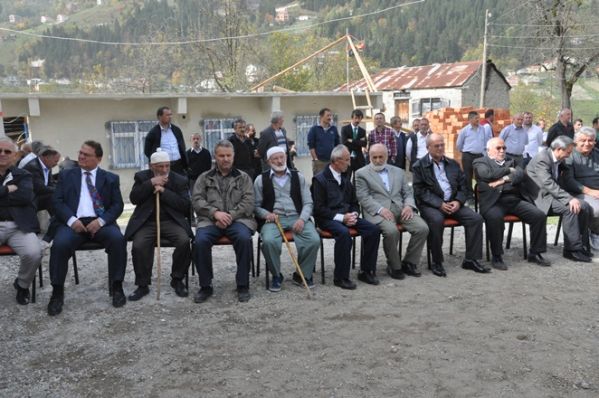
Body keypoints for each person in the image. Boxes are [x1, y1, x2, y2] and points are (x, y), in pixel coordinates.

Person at [47, 140, 127, 316]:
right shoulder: (66, 175)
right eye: (80, 152)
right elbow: (57, 201)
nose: (81, 156)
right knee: (59, 245)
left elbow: (117, 205)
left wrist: (101, 221)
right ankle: (57, 292)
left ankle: (117, 286)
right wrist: (71, 220)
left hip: (100, 222)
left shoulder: (110, 178)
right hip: (73, 222)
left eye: (87, 154)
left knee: (118, 240)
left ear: (98, 159)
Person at [412, 133, 489, 277]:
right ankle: (437, 261)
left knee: (476, 219)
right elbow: (420, 192)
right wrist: (439, 204)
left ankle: (471, 259)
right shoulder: (419, 166)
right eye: (437, 146)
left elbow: (464, 186)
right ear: (428, 148)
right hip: (432, 205)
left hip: (453, 203)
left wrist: (458, 201)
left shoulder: (452, 164)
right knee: (436, 220)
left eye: (442, 145)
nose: (440, 148)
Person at [192, 140, 256, 303]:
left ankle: (243, 285)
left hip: (239, 220)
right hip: (210, 221)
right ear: (215, 157)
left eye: (228, 155)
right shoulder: (204, 178)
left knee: (244, 239)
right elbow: (197, 200)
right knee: (200, 242)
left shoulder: (244, 178)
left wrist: (228, 216)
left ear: (233, 157)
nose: (225, 159)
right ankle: (205, 286)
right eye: (221, 156)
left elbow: (248, 202)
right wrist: (215, 214)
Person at [124, 149, 193, 301]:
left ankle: (177, 279)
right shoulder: (142, 177)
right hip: (147, 222)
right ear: (151, 166)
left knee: (183, 241)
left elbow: (184, 205)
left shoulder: (179, 180)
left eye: (167, 166)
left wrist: (163, 191)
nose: (164, 170)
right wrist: (150, 184)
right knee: (139, 245)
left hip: (171, 221)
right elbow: (134, 198)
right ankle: (142, 284)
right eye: (160, 167)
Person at [473, 138, 550, 270]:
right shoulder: (480, 161)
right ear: (488, 150)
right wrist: (509, 171)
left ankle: (535, 253)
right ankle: (497, 256)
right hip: (493, 202)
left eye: (504, 148)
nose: (502, 151)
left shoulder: (512, 160)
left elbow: (521, 175)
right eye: (498, 148)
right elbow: (486, 174)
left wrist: (502, 180)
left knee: (539, 215)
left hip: (514, 200)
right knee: (495, 219)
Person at [355, 144, 429, 279]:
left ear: (387, 156)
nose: (377, 160)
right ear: (369, 157)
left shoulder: (398, 171)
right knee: (391, 231)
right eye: (374, 157)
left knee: (422, 228)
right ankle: (394, 266)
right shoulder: (361, 173)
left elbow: (407, 193)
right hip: (378, 212)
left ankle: (409, 262)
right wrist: (380, 209)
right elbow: (363, 197)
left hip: (401, 209)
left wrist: (408, 206)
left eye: (380, 157)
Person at [312, 145, 380, 289]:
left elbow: (354, 202)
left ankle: (366, 271)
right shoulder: (319, 179)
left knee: (373, 230)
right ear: (336, 161)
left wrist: (354, 215)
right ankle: (340, 277)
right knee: (344, 234)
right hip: (328, 219)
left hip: (347, 216)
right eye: (347, 160)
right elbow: (318, 209)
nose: (350, 163)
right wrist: (341, 218)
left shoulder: (345, 177)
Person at [254, 147, 320, 291]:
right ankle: (277, 275)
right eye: (275, 159)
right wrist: (266, 214)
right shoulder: (260, 179)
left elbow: (308, 202)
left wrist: (302, 219)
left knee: (313, 240)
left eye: (281, 157)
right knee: (269, 241)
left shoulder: (298, 177)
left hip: (297, 216)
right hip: (274, 218)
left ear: (286, 157)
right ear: (268, 161)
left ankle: (302, 274)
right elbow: (255, 206)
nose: (279, 161)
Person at [524, 135, 592, 262]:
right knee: (570, 208)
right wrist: (569, 198)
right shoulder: (542, 159)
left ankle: (581, 246)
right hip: (540, 198)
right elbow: (548, 183)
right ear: (559, 149)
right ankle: (571, 250)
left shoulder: (559, 157)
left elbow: (565, 174)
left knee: (584, 206)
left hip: (552, 195)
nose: (569, 155)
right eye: (568, 152)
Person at [0, 136, 42, 305]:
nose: (2, 154)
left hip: (19, 226)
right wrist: (7, 190)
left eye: (7, 151)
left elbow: (24, 197)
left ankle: (22, 284)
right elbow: (16, 197)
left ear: (15, 155)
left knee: (34, 253)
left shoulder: (24, 174)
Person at [562, 127, 599, 250]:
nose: (587, 143)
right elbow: (569, 181)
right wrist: (590, 191)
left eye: (590, 140)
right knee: (596, 209)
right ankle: (594, 233)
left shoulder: (597, 154)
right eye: (583, 140)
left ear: (595, 141)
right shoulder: (569, 155)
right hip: (579, 192)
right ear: (576, 141)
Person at [456, 111, 493, 203]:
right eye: (476, 118)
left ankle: (481, 195)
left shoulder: (482, 129)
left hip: (479, 156)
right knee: (467, 176)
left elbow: (484, 142)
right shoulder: (464, 130)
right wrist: (465, 152)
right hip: (468, 155)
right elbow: (458, 144)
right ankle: (469, 196)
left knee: (480, 176)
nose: (478, 120)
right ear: (470, 119)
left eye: (478, 118)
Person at [144, 106, 187, 176]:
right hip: (164, 168)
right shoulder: (153, 133)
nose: (170, 117)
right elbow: (147, 151)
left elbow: (182, 146)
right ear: (159, 117)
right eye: (167, 115)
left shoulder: (176, 130)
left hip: (179, 166)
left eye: (171, 115)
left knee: (181, 184)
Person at [23, 145, 60, 215]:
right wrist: (59, 189)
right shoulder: (33, 167)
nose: (56, 164)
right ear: (46, 158)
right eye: (55, 161)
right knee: (52, 197)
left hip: (40, 196)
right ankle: (57, 221)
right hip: (31, 199)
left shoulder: (47, 165)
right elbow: (40, 188)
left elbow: (50, 184)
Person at [308, 108, 340, 176]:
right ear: (321, 117)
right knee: (319, 183)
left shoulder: (333, 129)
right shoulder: (314, 129)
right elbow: (311, 146)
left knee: (332, 182)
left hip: (332, 162)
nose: (330, 118)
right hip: (319, 162)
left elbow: (337, 145)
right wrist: (316, 160)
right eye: (328, 115)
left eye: (330, 115)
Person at [340, 109, 367, 175]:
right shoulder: (345, 129)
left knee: (358, 179)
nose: (357, 120)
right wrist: (358, 143)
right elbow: (344, 142)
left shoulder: (362, 131)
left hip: (359, 159)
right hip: (347, 158)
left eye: (359, 119)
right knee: (346, 178)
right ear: (352, 118)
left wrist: (351, 140)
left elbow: (364, 144)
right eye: (356, 118)